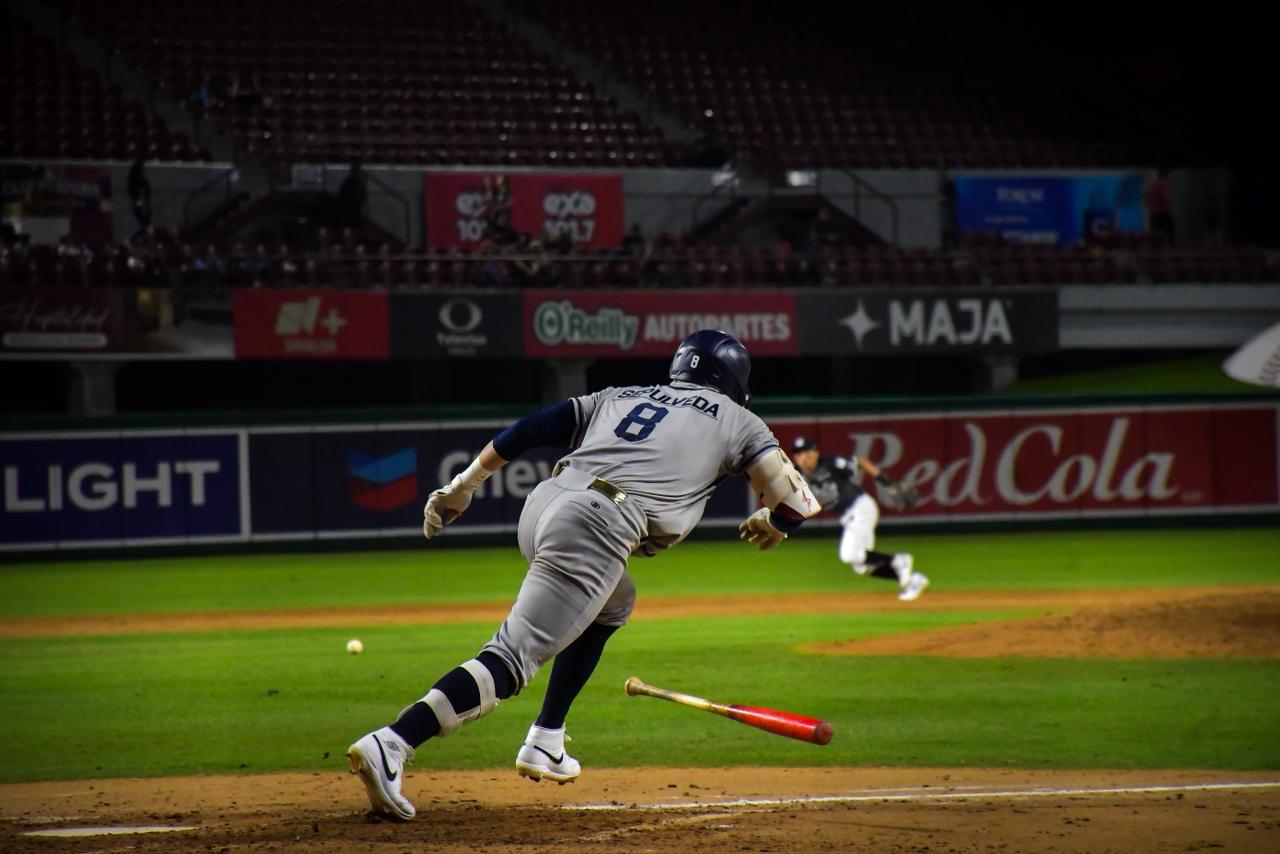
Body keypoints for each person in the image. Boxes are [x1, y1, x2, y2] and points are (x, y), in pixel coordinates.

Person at [346, 330, 821, 820]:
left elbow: (531, 428)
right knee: (510, 659)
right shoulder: (740, 420)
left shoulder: (621, 395)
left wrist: (463, 485)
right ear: (735, 380)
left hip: (545, 505)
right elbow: (796, 502)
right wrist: (774, 522)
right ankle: (395, 742)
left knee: (615, 602)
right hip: (598, 523)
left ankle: (546, 738)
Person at [789, 436, 928, 601]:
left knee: (848, 555)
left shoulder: (830, 464)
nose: (803, 457)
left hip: (860, 507)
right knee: (862, 566)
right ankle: (912, 581)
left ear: (816, 453)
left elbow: (860, 461)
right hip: (849, 517)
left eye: (807, 452)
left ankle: (899, 560)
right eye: (798, 454)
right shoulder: (795, 476)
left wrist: (885, 481)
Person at [126, 157, 151, 244]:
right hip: (140, 205)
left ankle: (138, 240)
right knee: (144, 226)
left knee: (144, 226)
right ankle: (133, 240)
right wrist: (142, 206)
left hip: (139, 204)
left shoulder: (139, 181)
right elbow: (141, 197)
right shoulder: (138, 182)